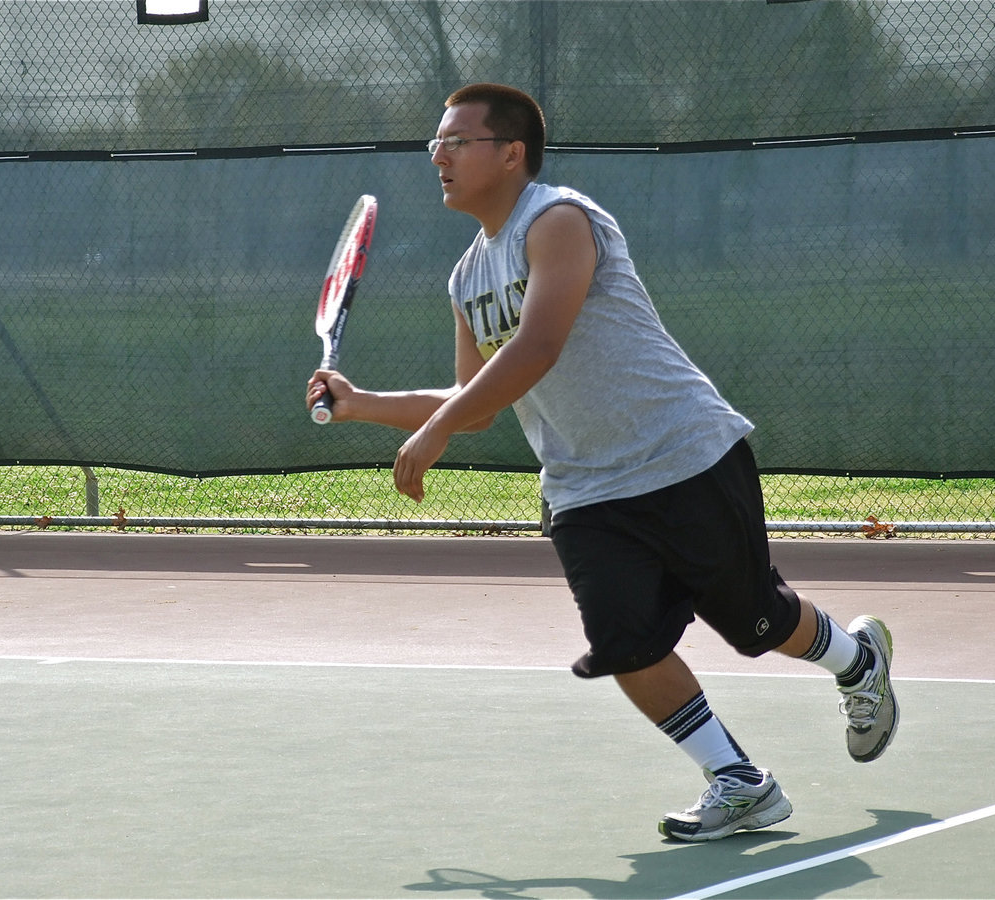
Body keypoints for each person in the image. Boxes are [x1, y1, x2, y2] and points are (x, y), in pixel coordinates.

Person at [306, 83, 899, 842]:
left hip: (683, 454)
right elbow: (478, 400)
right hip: (584, 491)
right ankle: (738, 780)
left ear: (511, 152)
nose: (440, 157)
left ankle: (857, 662)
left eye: (457, 142)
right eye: (435, 145)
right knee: (626, 644)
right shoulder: (465, 279)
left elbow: (537, 345)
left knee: (757, 622)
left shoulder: (559, 220)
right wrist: (362, 403)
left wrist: (437, 431)